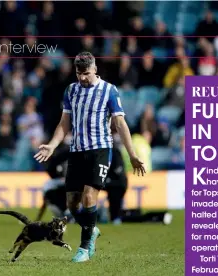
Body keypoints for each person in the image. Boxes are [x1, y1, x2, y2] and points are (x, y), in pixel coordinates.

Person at [34, 52, 146, 263]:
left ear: (95, 70)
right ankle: (92, 229)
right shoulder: (71, 90)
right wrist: (52, 144)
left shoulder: (109, 90)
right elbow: (64, 123)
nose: (82, 78)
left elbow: (120, 124)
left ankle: (84, 248)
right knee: (72, 203)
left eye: (86, 73)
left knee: (88, 196)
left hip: (100, 150)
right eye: (79, 73)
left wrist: (132, 155)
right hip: (77, 151)